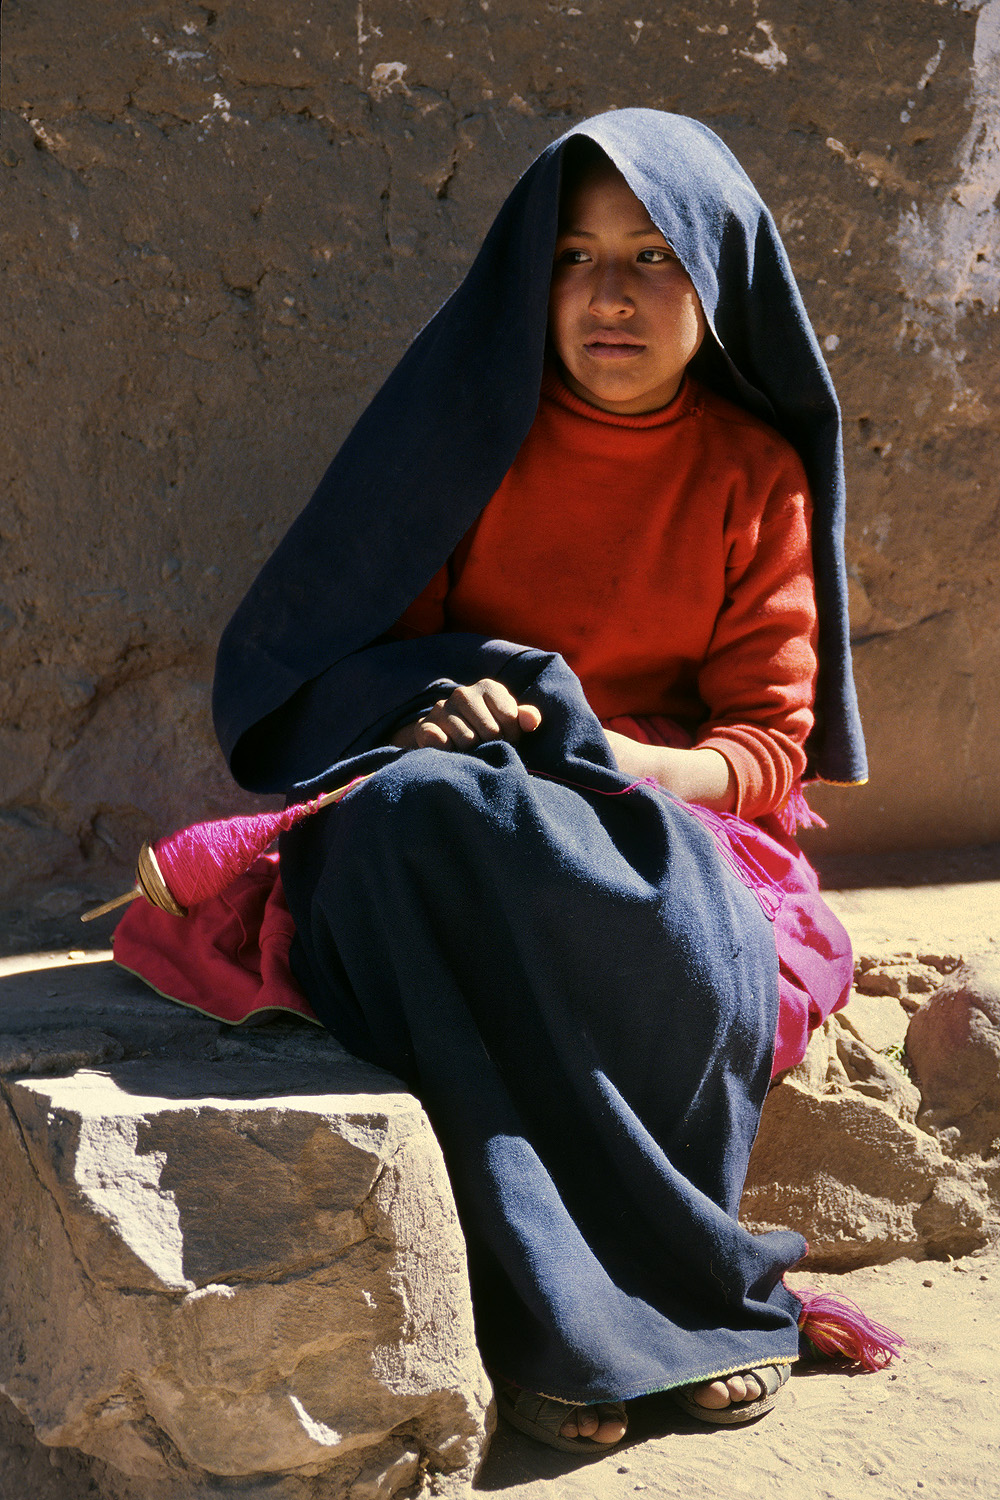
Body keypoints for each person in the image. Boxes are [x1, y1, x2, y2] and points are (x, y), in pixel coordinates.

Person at [210, 109, 869, 1454]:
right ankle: (548, 1320)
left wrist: (608, 756)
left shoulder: (754, 477)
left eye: (653, 258)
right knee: (413, 829)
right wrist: (440, 709)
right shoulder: (465, 441)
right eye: (575, 256)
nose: (610, 295)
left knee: (672, 918)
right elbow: (349, 664)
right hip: (460, 809)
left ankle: (676, 1296)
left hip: (649, 816)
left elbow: (762, 752)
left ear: (723, 280)